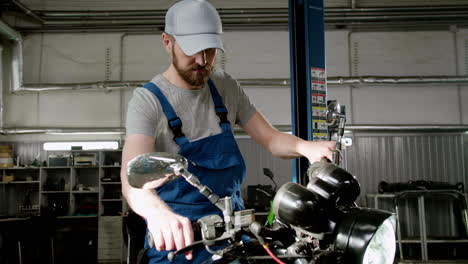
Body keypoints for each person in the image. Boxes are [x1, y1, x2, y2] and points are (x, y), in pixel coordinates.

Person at [120, 0, 335, 263]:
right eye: (192, 50)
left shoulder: (224, 87)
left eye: (210, 50)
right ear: (167, 42)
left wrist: (307, 148)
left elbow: (271, 139)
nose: (202, 60)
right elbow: (132, 178)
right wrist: (157, 214)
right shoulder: (148, 101)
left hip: (233, 235)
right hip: (180, 242)